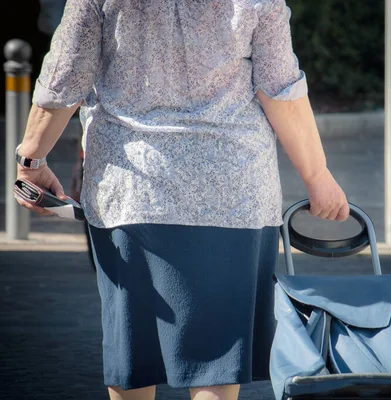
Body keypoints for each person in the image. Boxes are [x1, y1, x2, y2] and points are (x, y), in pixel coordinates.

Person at [14, 1, 349, 400]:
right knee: (215, 364)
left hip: (133, 191)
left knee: (133, 359)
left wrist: (31, 159)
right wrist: (317, 176)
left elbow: (66, 74)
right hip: (231, 192)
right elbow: (280, 89)